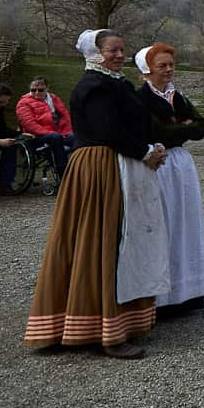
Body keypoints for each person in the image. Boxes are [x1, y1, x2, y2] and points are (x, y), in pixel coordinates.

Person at [24, 29, 170, 360]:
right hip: (100, 167)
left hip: (116, 164)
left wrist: (153, 144)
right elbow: (108, 131)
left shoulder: (114, 83)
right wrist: (145, 151)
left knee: (117, 241)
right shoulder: (93, 86)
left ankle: (108, 321)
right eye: (111, 50)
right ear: (95, 52)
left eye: (122, 49)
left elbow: (133, 122)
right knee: (104, 242)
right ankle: (105, 331)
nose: (119, 55)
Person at [135, 43, 204, 316]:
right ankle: (161, 298)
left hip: (181, 165)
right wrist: (183, 128)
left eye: (170, 65)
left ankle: (186, 293)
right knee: (162, 223)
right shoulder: (140, 99)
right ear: (147, 70)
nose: (168, 70)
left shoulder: (177, 96)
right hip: (159, 163)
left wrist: (179, 129)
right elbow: (156, 132)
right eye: (161, 66)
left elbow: (202, 126)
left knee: (185, 221)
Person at [15, 77, 77, 177]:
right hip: (36, 137)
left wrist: (68, 132)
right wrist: (49, 133)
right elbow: (29, 124)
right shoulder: (24, 103)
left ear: (47, 88)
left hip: (59, 133)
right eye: (33, 90)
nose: (36, 93)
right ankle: (64, 174)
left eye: (40, 90)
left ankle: (81, 169)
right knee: (55, 138)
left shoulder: (53, 98)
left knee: (76, 138)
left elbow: (65, 116)